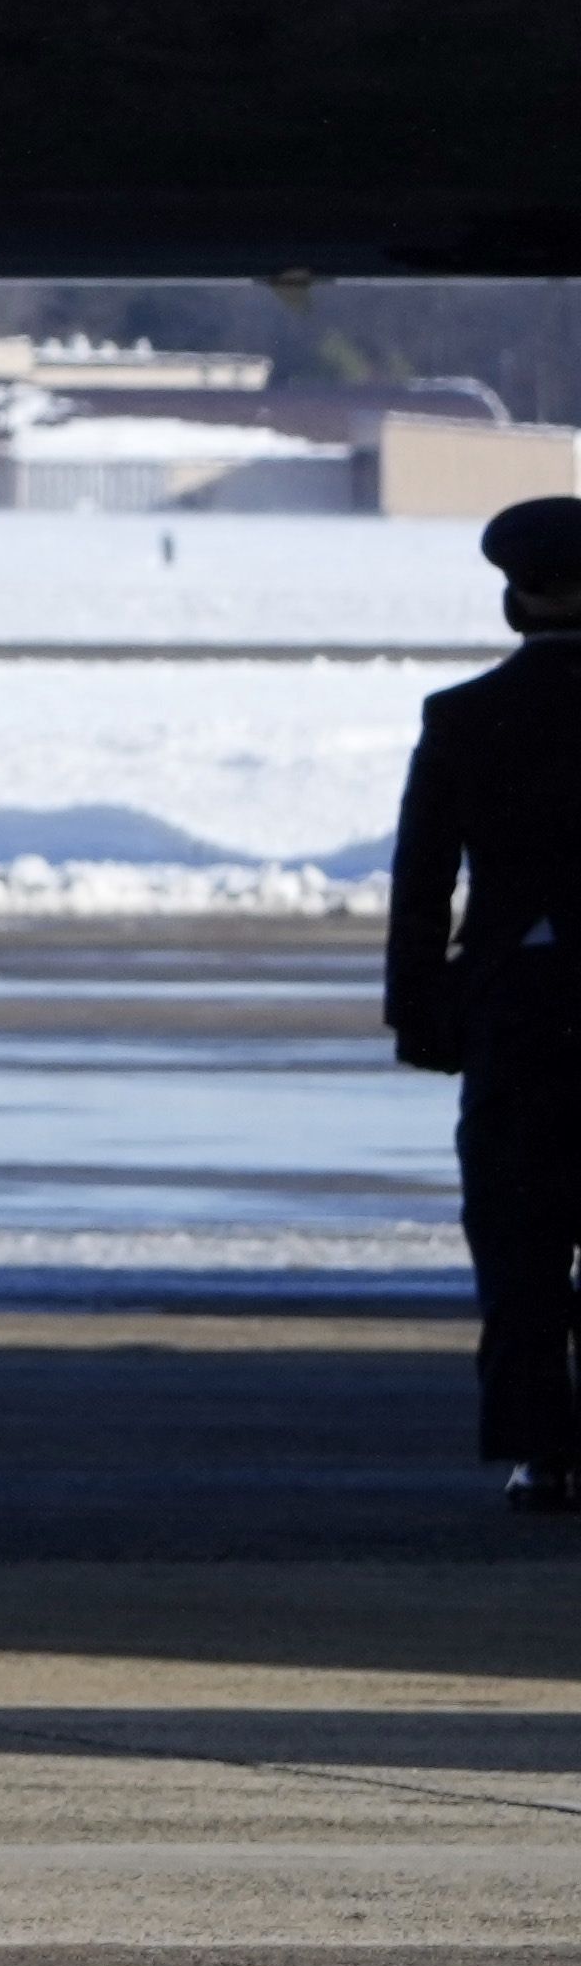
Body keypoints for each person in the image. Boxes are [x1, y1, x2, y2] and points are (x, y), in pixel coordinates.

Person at [381, 492, 581, 1510]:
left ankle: (541, 1452)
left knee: (518, 1243)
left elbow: (423, 886)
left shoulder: (462, 719)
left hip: (519, 1011)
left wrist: (421, 1018)